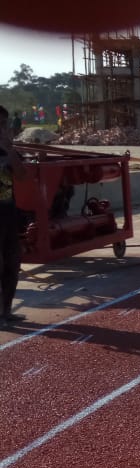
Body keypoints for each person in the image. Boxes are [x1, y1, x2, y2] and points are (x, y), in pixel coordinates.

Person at [0, 105, 27, 324]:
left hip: (8, 213)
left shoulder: (8, 151)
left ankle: (6, 311)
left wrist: (9, 151)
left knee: (12, 262)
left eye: (5, 125)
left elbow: (22, 176)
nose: (4, 129)